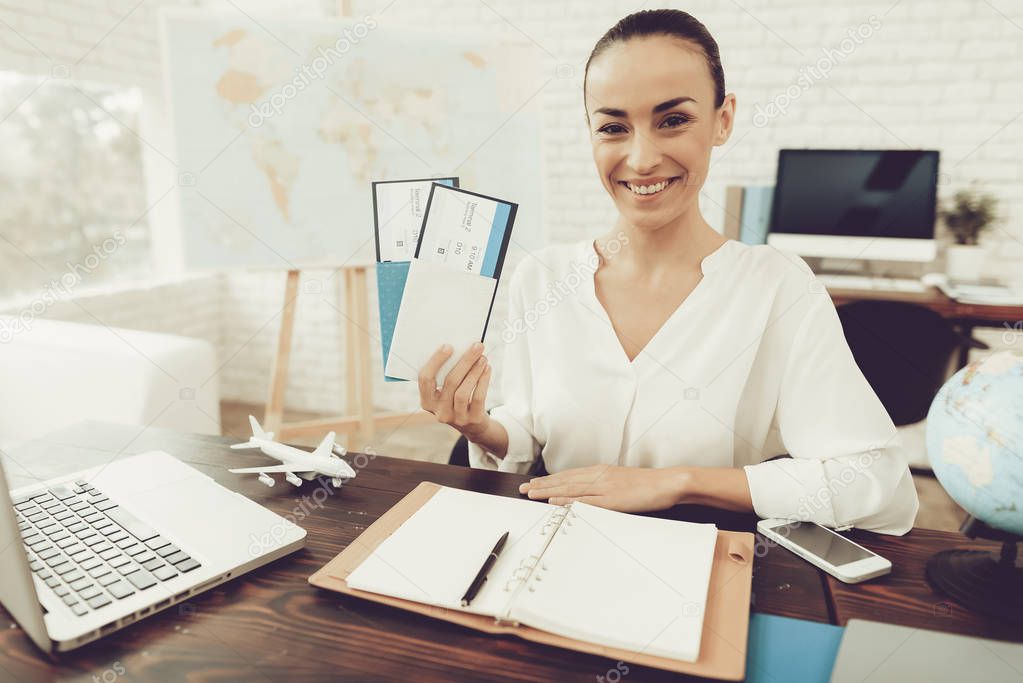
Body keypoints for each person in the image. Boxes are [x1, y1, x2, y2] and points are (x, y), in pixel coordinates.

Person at [417, 9, 918, 535]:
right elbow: (528, 436)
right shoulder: (541, 277)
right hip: (556, 554)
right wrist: (482, 428)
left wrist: (679, 482)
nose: (641, 158)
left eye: (673, 120)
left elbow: (875, 482)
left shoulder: (778, 288)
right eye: (613, 127)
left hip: (705, 567)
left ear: (723, 119)